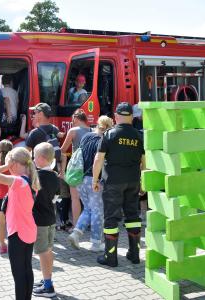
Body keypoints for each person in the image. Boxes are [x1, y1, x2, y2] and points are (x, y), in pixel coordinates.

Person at [92, 102, 145, 267]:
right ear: (131, 116)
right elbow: (144, 162)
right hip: (133, 181)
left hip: (113, 182)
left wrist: (94, 179)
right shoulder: (138, 135)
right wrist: (142, 182)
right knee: (133, 216)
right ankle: (134, 255)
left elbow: (99, 158)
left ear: (116, 116)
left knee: (111, 218)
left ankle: (111, 257)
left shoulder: (109, 134)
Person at [0, 148, 40, 300]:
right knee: (27, 269)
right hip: (28, 230)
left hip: (18, 233)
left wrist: (5, 165)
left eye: (10, 163)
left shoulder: (19, 181)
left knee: (18, 274)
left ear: (14, 163)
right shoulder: (29, 178)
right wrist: (10, 164)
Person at [68, 116, 114, 252]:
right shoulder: (105, 140)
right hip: (94, 180)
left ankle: (76, 233)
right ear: (109, 128)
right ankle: (96, 243)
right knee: (98, 211)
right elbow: (100, 161)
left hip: (80, 178)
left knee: (88, 208)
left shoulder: (87, 136)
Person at [32, 143, 60, 298]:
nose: (33, 160)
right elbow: (56, 198)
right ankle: (46, 280)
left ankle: (48, 287)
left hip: (39, 221)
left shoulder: (36, 176)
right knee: (48, 251)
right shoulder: (55, 176)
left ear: (42, 159)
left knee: (43, 253)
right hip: (51, 218)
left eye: (35, 157)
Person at [61, 109, 91, 227]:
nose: (72, 121)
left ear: (76, 118)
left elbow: (63, 150)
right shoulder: (92, 131)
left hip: (76, 168)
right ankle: (89, 224)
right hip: (88, 168)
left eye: (73, 119)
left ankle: (76, 226)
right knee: (88, 198)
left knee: (75, 198)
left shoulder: (73, 131)